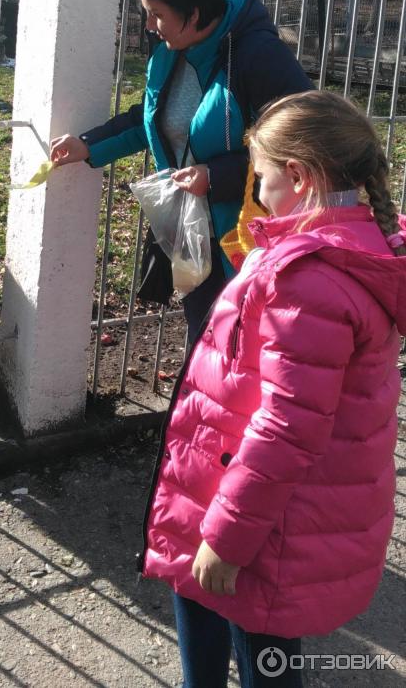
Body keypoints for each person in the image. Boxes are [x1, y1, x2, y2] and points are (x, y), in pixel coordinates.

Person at [139, 89, 405, 688]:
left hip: (265, 519)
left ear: (300, 177)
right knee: (201, 598)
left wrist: (228, 538)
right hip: (238, 487)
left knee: (263, 651)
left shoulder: (311, 281)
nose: (255, 192)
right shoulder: (341, 249)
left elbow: (288, 427)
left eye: (260, 177)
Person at [50, 0, 311, 341]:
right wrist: (90, 146)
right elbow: (153, 119)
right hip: (193, 233)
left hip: (247, 239)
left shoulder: (259, 57)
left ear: (194, 14)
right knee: (204, 339)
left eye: (157, 15)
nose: (150, 26)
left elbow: (304, 146)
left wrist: (219, 176)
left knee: (241, 346)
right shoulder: (168, 54)